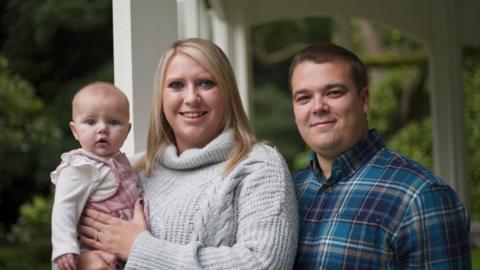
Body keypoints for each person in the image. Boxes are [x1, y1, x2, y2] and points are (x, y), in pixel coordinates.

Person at [76, 38, 298, 269]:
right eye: (176, 85)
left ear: (228, 94)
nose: (191, 98)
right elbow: (71, 244)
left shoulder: (258, 166)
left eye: (205, 83)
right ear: (161, 98)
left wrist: (139, 249)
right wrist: (82, 262)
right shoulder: (127, 170)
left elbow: (264, 264)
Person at [289, 43, 471, 269]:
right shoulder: (288, 191)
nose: (317, 107)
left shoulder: (421, 197)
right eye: (304, 98)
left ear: (363, 100)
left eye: (333, 92)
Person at [51, 82, 143, 270]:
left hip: (126, 249)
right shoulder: (80, 167)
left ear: (127, 131)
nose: (102, 129)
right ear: (75, 130)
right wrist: (64, 247)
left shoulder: (121, 162)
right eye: (91, 122)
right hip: (93, 250)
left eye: (114, 122)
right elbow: (64, 208)